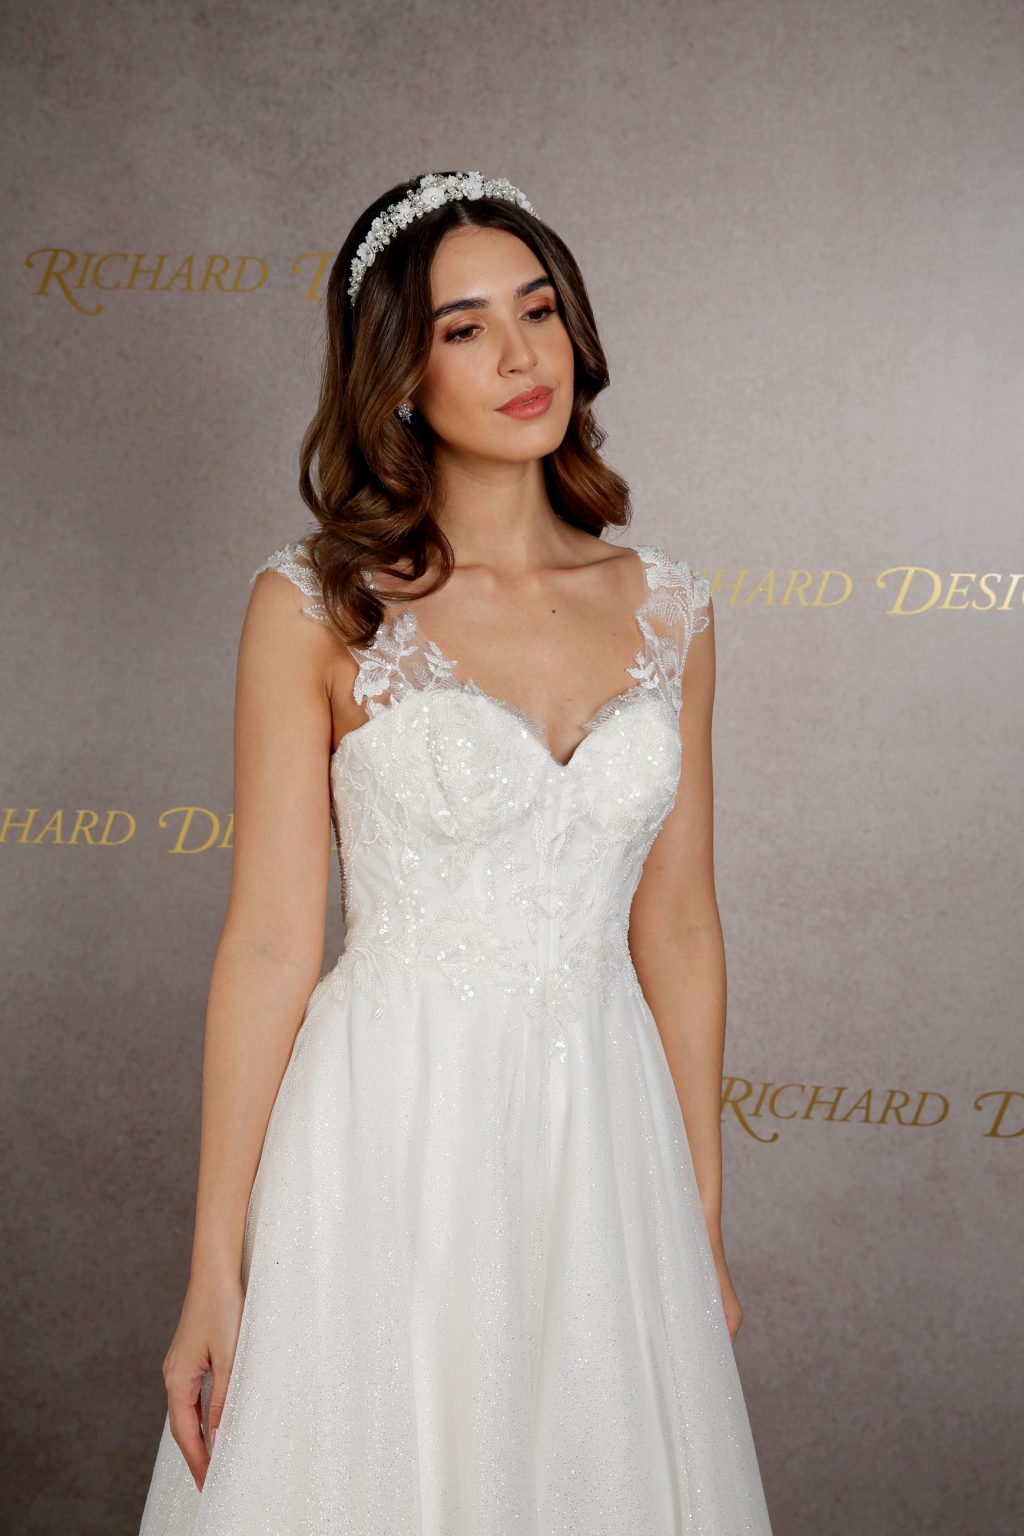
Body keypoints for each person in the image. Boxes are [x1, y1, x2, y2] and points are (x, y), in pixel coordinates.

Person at [138, 169, 774, 1534]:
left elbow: (679, 930)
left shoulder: (670, 607)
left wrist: (698, 1222)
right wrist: (214, 1266)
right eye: (465, 328)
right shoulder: (315, 606)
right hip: (390, 1126)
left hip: (603, 1143)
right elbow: (269, 942)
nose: (521, 356)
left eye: (538, 311)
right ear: (401, 378)